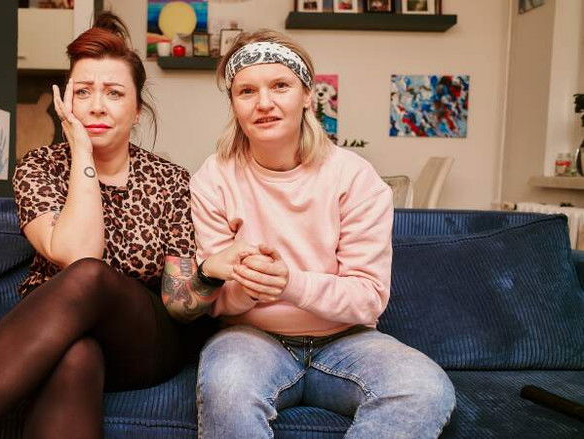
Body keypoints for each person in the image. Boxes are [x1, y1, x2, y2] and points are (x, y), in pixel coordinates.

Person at [0, 12, 217, 439]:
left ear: (136, 110)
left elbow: (168, 297)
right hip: (56, 335)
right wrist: (81, 153)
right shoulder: (38, 167)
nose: (96, 105)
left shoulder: (171, 180)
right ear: (66, 103)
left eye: (114, 93)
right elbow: (77, 251)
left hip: (144, 342)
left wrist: (211, 273)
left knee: (91, 277)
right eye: (83, 92)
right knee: (76, 355)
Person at [186, 30, 457, 438]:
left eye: (280, 86)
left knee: (424, 388)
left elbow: (368, 298)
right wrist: (249, 286)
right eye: (247, 91)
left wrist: (290, 283)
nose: (264, 103)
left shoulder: (355, 177)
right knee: (227, 388)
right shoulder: (213, 178)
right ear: (234, 105)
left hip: (346, 341)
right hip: (250, 338)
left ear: (307, 96)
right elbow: (216, 301)